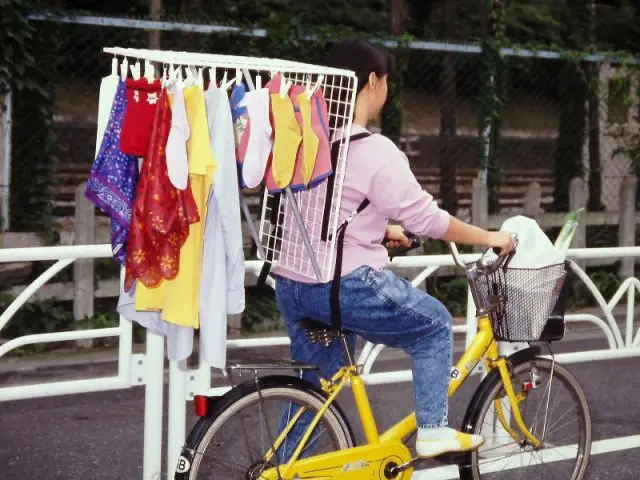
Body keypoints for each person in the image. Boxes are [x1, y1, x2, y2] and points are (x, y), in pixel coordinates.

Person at [272, 38, 516, 458]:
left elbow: (323, 212)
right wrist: (490, 237)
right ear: (372, 82)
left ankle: (280, 467)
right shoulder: (375, 149)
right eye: (386, 81)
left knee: (312, 390)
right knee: (434, 324)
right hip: (342, 287)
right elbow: (427, 220)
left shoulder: (307, 141)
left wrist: (380, 230)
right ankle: (434, 429)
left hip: (294, 283)